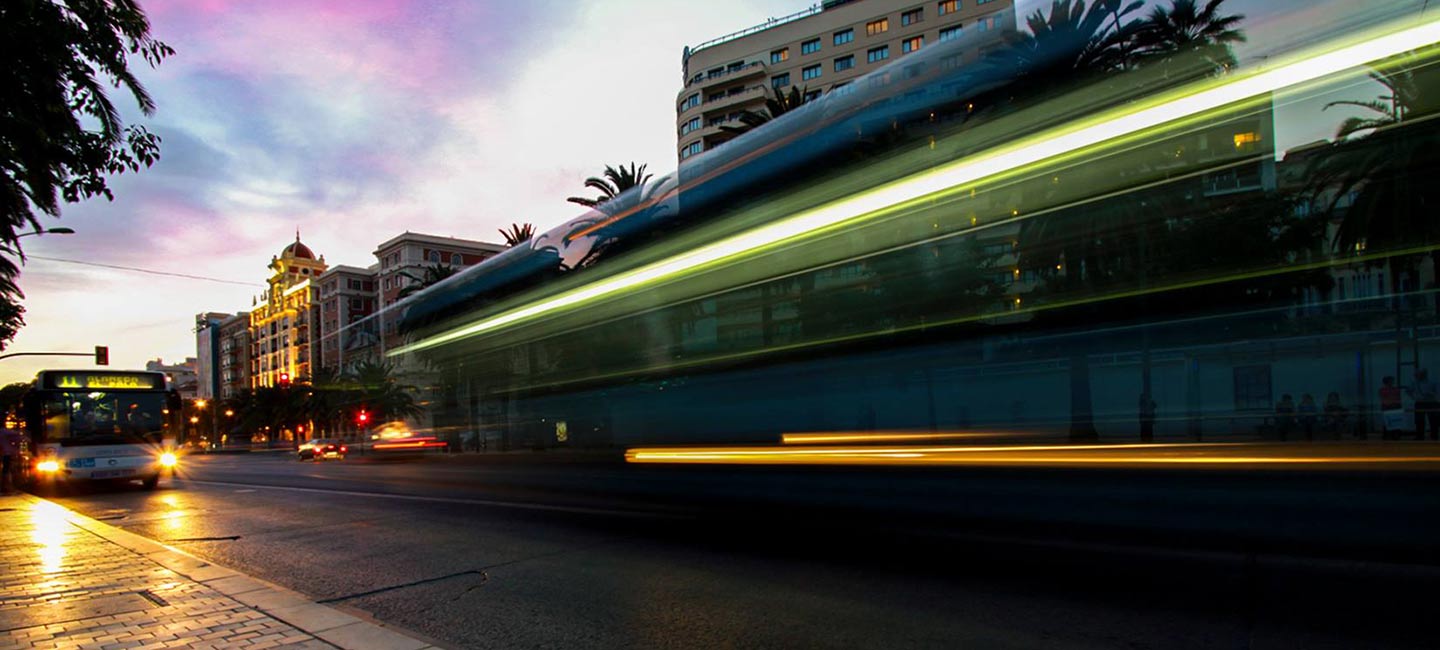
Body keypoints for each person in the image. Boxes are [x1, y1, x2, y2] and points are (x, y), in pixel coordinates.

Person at [1410, 369, 1439, 441]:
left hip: (1431, 402)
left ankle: (1434, 436)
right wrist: (1414, 397)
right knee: (1419, 420)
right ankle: (1420, 436)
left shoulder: (1432, 382)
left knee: (1433, 420)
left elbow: (1437, 392)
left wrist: (1431, 394)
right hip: (1420, 402)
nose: (1417, 376)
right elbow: (1408, 391)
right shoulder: (1415, 383)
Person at [1, 427, 22, 495]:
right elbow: (19, 435)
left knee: (6, 470)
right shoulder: (4, 431)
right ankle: (8, 488)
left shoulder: (3, 432)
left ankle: (6, 488)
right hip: (7, 453)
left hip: (5, 453)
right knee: (7, 470)